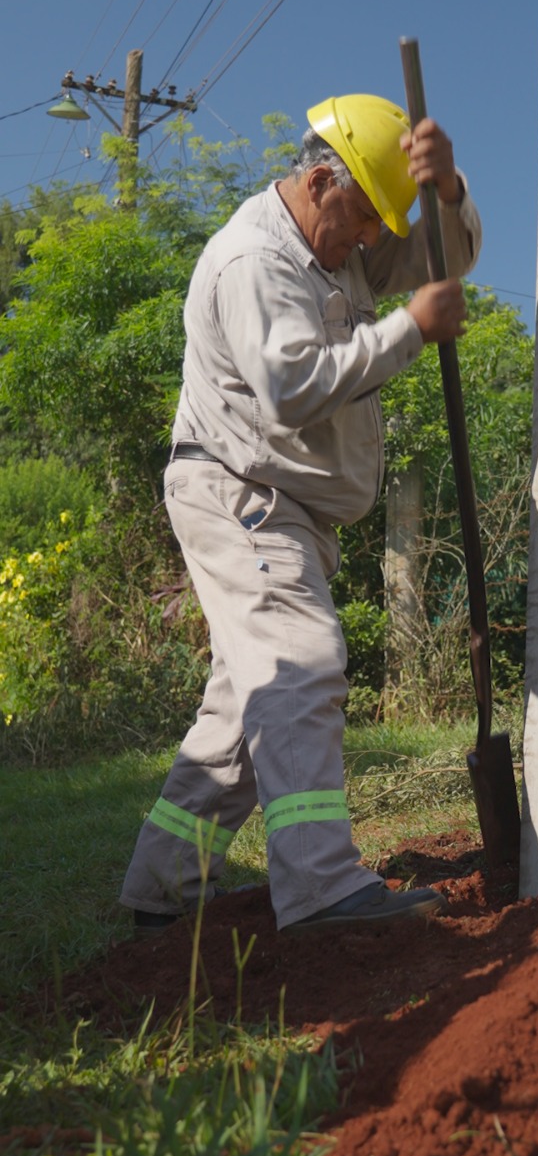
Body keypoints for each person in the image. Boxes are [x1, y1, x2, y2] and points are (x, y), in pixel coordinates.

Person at [120, 93, 479, 937]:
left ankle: (162, 888)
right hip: (239, 491)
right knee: (302, 664)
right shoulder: (256, 259)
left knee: (248, 710)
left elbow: (439, 256)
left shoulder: (339, 249)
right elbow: (289, 392)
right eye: (360, 219)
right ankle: (320, 889)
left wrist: (448, 187)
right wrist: (410, 331)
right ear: (322, 181)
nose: (367, 242)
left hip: (284, 507)